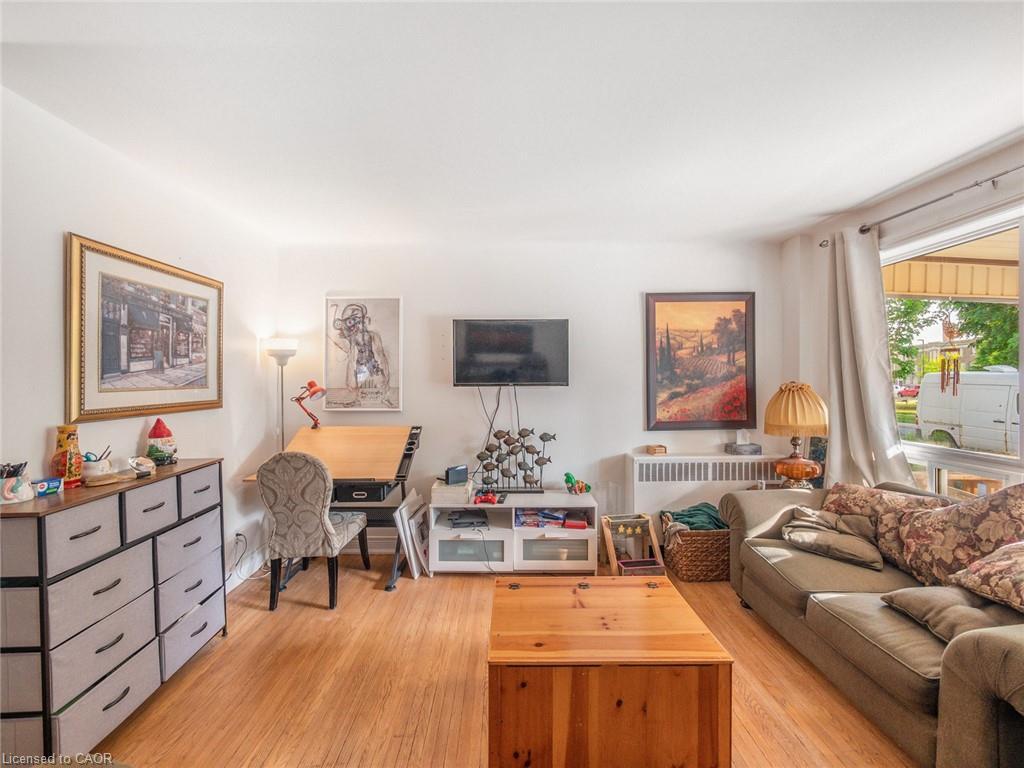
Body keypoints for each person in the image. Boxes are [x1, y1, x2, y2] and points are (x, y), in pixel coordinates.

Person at [328, 302, 394, 407]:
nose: (358, 324)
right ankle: (357, 401)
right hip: (361, 363)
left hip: (371, 362)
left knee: (380, 380)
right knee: (360, 383)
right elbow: (350, 350)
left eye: (359, 320)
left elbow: (380, 352)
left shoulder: (372, 335)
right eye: (354, 321)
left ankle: (385, 399)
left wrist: (383, 366)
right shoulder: (353, 337)